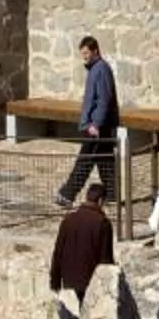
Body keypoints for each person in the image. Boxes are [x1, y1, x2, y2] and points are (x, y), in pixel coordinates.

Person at [56, 34, 120, 206]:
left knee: (85, 160)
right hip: (98, 124)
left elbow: (104, 99)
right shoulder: (96, 69)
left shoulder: (101, 69)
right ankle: (113, 195)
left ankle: (67, 194)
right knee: (105, 160)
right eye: (82, 54)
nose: (84, 57)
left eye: (86, 53)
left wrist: (95, 124)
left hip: (96, 126)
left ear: (95, 51)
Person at [50, 183, 116, 298]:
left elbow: (58, 252)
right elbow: (106, 257)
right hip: (91, 281)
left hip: (68, 279)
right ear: (101, 201)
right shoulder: (103, 223)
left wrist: (55, 281)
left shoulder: (68, 220)